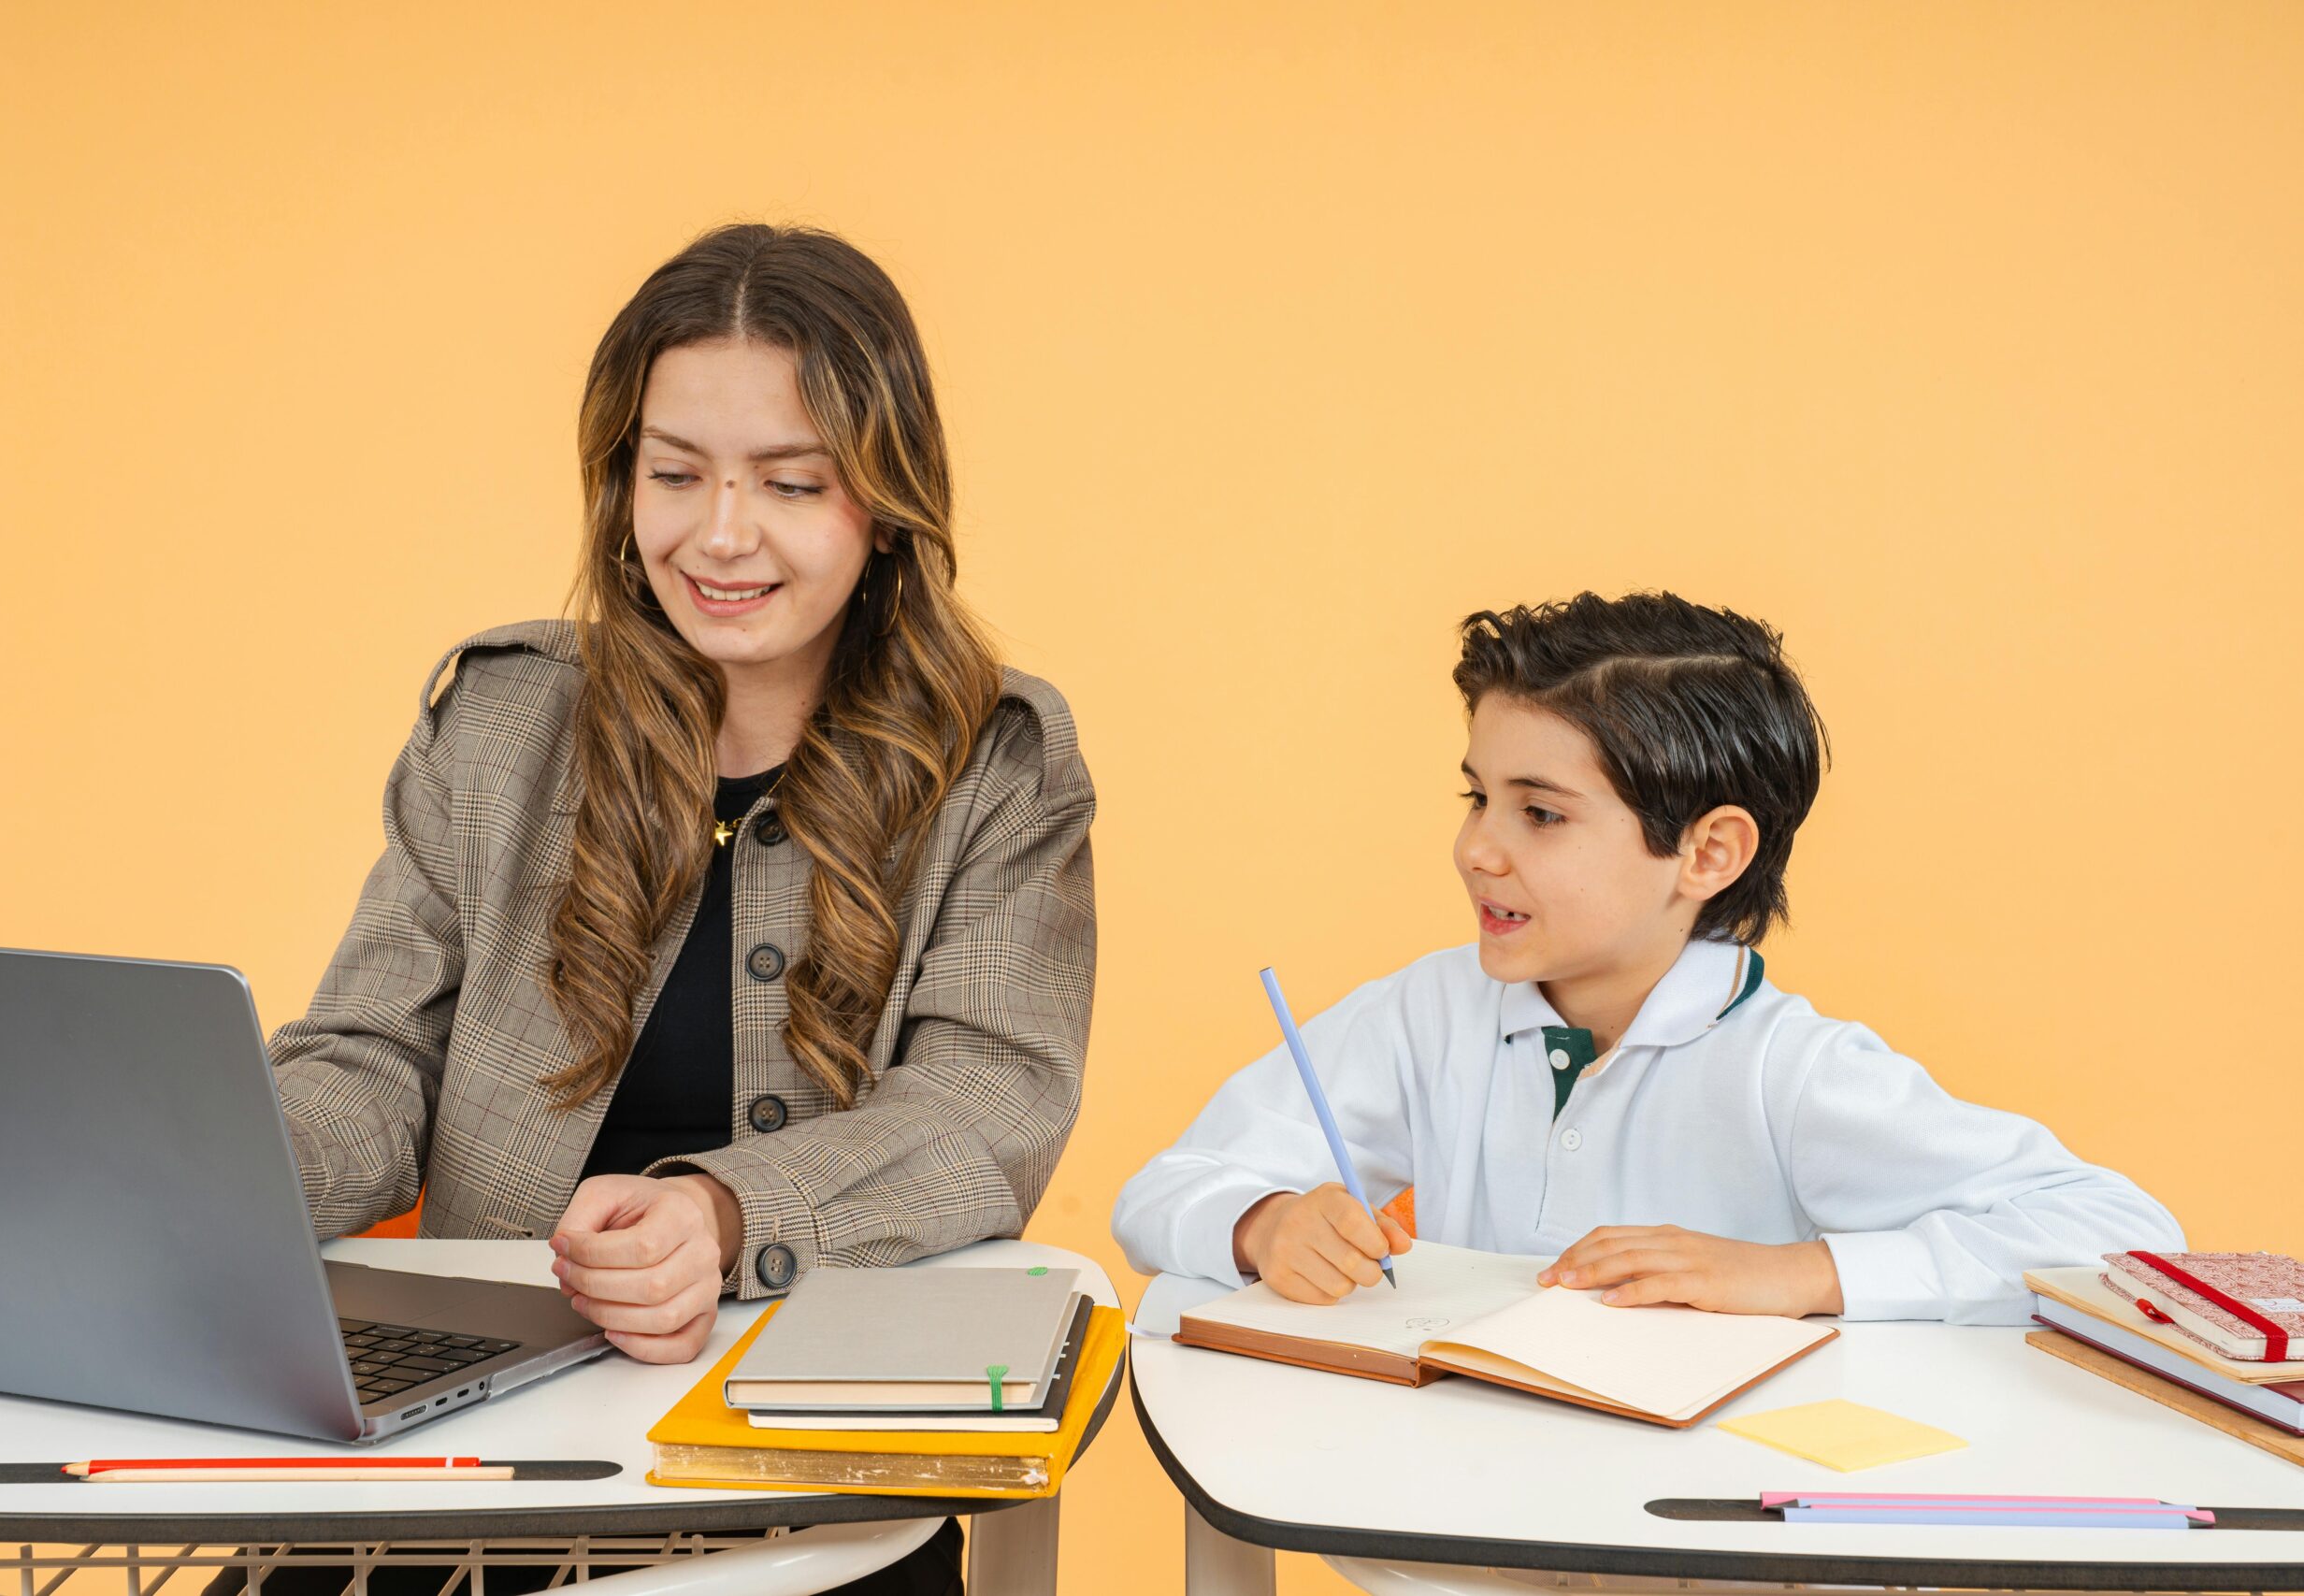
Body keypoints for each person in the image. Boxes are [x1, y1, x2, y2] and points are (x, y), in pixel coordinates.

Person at [237, 223, 1096, 1596]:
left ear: (881, 505)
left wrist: (717, 1208)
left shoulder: (996, 759)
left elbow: (991, 1102)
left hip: (809, 1463)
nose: (721, 533)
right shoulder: (504, 720)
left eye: (790, 481)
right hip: (482, 1434)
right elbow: (372, 1056)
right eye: (675, 472)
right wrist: (226, 1162)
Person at [1112, 591, 2178, 1325]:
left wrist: (1796, 1272)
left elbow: (2117, 1238)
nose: (1476, 847)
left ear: (1707, 852)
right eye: (1476, 796)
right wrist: (1261, 1226)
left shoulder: (1787, 1070)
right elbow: (1167, 1188)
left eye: (1540, 813)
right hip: (1462, 1515)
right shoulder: (1420, 1018)